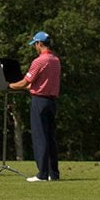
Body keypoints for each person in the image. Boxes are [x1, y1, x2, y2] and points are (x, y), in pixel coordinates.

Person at [10, 31, 62, 182]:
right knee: (50, 137)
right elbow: (40, 82)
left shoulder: (39, 61)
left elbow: (25, 82)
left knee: (40, 137)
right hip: (51, 101)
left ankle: (42, 174)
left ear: (39, 43)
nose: (35, 47)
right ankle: (53, 173)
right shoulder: (56, 60)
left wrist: (9, 85)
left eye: (35, 44)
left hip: (39, 101)